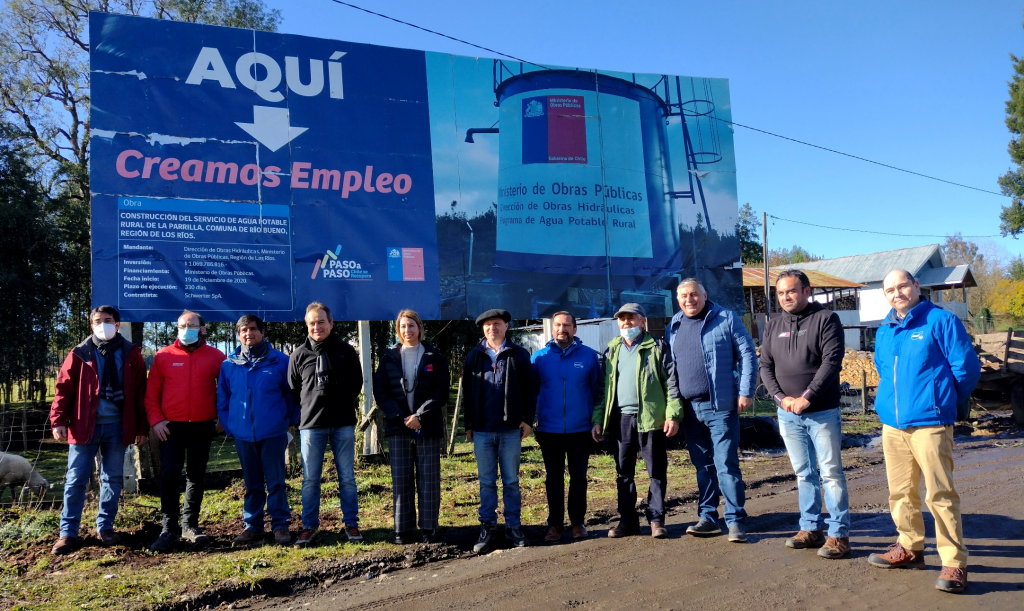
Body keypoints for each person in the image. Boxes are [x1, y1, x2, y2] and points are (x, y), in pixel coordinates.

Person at [867, 270, 980, 594]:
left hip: (930, 425)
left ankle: (954, 563)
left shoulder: (940, 321)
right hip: (893, 428)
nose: (897, 293)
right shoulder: (885, 330)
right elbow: (883, 371)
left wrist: (942, 401)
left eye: (903, 285)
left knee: (939, 496)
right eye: (890, 289)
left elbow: (966, 368)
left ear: (916, 286)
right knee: (900, 493)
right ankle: (910, 548)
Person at [759, 270, 850, 559]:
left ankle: (838, 534)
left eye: (792, 291)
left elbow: (831, 361)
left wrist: (806, 397)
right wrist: (780, 398)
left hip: (821, 411)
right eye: (781, 293)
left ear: (807, 291)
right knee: (804, 473)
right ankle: (810, 528)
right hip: (787, 413)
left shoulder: (825, 319)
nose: (786, 297)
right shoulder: (773, 325)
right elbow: (765, 365)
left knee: (831, 472)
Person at [50, 306, 148, 555]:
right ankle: (68, 532)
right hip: (84, 426)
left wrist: (140, 426)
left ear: (117, 324)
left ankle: (105, 527)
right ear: (91, 325)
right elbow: (63, 389)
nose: (102, 324)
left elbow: (139, 393)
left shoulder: (131, 353)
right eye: (98, 321)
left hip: (117, 426)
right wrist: (58, 420)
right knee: (76, 479)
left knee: (112, 479)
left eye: (108, 320)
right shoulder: (80, 353)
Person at [665, 279, 757, 543]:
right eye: (683, 296)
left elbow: (748, 354)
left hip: (721, 406)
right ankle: (708, 517)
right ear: (678, 299)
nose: (689, 300)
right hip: (690, 410)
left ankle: (735, 520)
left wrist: (746, 391)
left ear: (705, 295)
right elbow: (671, 370)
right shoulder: (675, 325)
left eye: (694, 294)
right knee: (702, 466)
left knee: (726, 464)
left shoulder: (726, 318)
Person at [592, 303, 682, 539]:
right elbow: (603, 390)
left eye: (631, 319)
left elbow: (671, 385)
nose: (626, 323)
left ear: (642, 322)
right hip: (621, 420)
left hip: (651, 420)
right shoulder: (612, 350)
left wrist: (673, 415)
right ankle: (628, 520)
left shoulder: (658, 347)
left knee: (656, 471)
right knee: (623, 473)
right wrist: (599, 419)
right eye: (622, 319)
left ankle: (656, 519)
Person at [146, 310, 226, 552]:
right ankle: (168, 529)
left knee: (196, 476)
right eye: (182, 325)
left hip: (203, 426)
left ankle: (190, 525)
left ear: (202, 329)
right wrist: (157, 421)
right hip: (170, 428)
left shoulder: (216, 356)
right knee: (169, 475)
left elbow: (226, 390)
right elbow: (151, 395)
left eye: (191, 325)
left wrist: (222, 416)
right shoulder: (163, 356)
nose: (186, 329)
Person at [217, 314, 298, 546]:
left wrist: (288, 421)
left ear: (262, 332)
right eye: (243, 330)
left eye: (253, 329)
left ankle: (280, 526)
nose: (248, 334)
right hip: (243, 436)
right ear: (238, 334)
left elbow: (290, 395)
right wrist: (231, 426)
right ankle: (253, 527)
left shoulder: (280, 361)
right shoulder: (229, 364)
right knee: (252, 484)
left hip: (273, 433)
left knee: (276, 483)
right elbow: (223, 399)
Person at [289, 302, 364, 547]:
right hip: (311, 426)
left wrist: (341, 403)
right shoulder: (299, 355)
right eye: (312, 322)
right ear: (306, 325)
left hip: (342, 423)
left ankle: (351, 524)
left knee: (347, 478)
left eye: (321, 321)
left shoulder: (346, 351)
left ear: (331, 323)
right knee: (310, 479)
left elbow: (356, 383)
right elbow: (293, 389)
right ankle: (309, 527)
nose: (317, 326)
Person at [372, 309, 450, 544]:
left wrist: (420, 416)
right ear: (398, 330)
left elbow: (441, 392)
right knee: (401, 479)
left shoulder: (435, 356)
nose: (408, 330)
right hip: (398, 427)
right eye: (403, 326)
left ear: (420, 328)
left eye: (412, 326)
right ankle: (402, 529)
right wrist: (402, 415)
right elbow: (381, 392)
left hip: (427, 426)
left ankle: (428, 528)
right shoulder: (388, 358)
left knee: (429, 478)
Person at [462, 308, 537, 554]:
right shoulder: (474, 355)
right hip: (482, 430)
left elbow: (530, 390)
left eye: (497, 323)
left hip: (510, 430)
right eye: (487, 324)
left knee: (511, 481)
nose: (491, 328)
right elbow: (467, 393)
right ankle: (487, 528)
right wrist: (469, 424)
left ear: (506, 326)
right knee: (486, 482)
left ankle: (513, 527)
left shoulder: (519, 355)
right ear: (482, 329)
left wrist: (528, 420)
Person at [531, 311, 603, 542]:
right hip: (549, 429)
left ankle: (578, 523)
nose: (562, 329)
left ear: (575, 328)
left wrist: (597, 421)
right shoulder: (539, 358)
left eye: (567, 325)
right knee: (553, 479)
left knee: (579, 477)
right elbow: (530, 392)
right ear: (552, 328)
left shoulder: (590, 357)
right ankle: (554, 525)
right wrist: (530, 420)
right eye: (558, 325)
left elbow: (599, 392)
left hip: (580, 429)